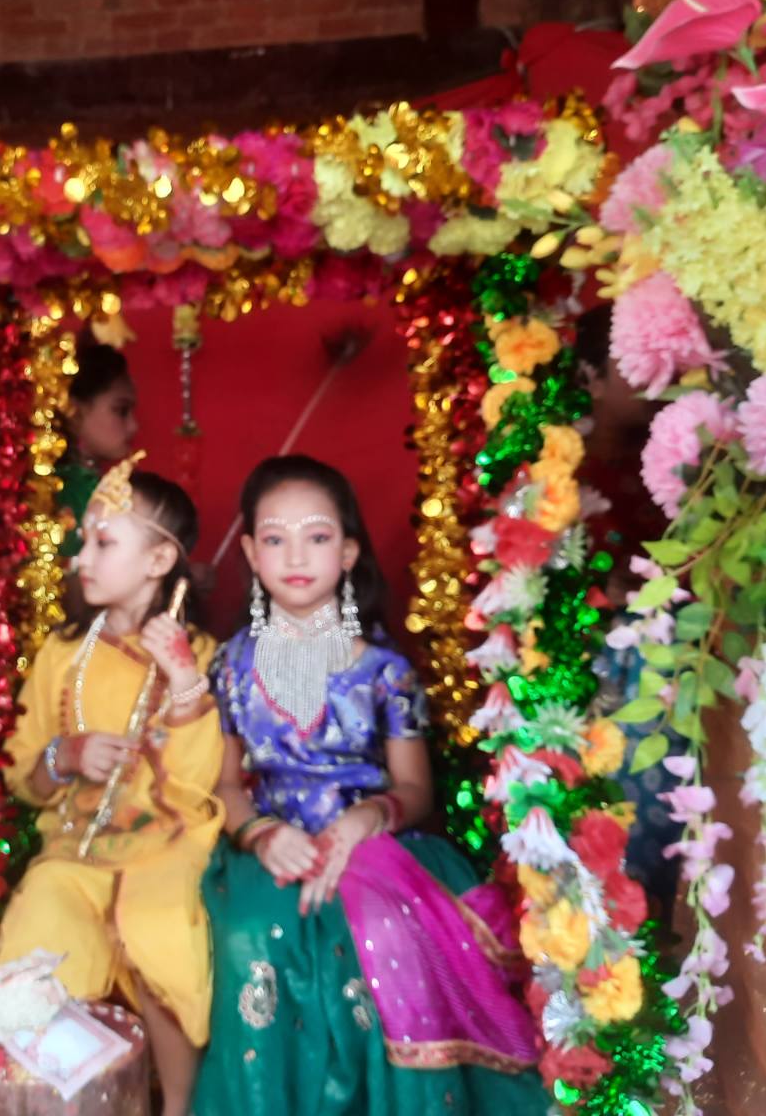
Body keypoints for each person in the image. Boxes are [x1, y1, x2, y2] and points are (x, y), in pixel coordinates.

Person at [193, 455, 548, 1116]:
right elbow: (225, 784)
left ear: (349, 551)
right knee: (251, 940)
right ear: (248, 550)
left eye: (318, 536)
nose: (296, 554)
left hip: (374, 850)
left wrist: (363, 821)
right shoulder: (231, 666)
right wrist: (261, 833)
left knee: (382, 933)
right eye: (275, 538)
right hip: (270, 850)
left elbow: (417, 790)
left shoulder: (385, 672)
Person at [0, 455, 221, 1116]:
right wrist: (64, 756)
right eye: (83, 539)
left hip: (166, 847)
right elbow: (26, 780)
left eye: (104, 541)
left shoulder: (196, 653)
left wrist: (183, 682)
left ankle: (179, 1106)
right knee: (42, 914)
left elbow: (197, 781)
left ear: (158, 563)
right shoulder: (61, 656)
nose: (81, 556)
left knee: (158, 934)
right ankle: (57, 1101)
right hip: (78, 849)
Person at [56, 340, 138, 558]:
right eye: (121, 411)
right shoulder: (70, 492)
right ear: (74, 411)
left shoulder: (92, 485)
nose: (133, 427)